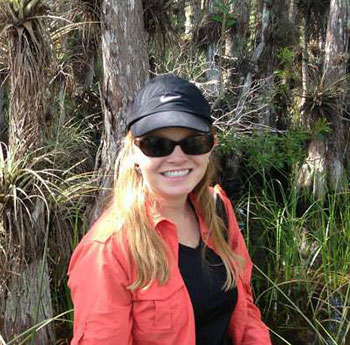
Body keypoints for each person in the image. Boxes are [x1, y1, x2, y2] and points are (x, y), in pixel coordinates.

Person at [68, 74, 272, 345]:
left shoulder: (218, 208)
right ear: (134, 154)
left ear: (211, 146)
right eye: (157, 145)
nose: (177, 157)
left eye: (193, 142)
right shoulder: (107, 250)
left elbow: (245, 310)